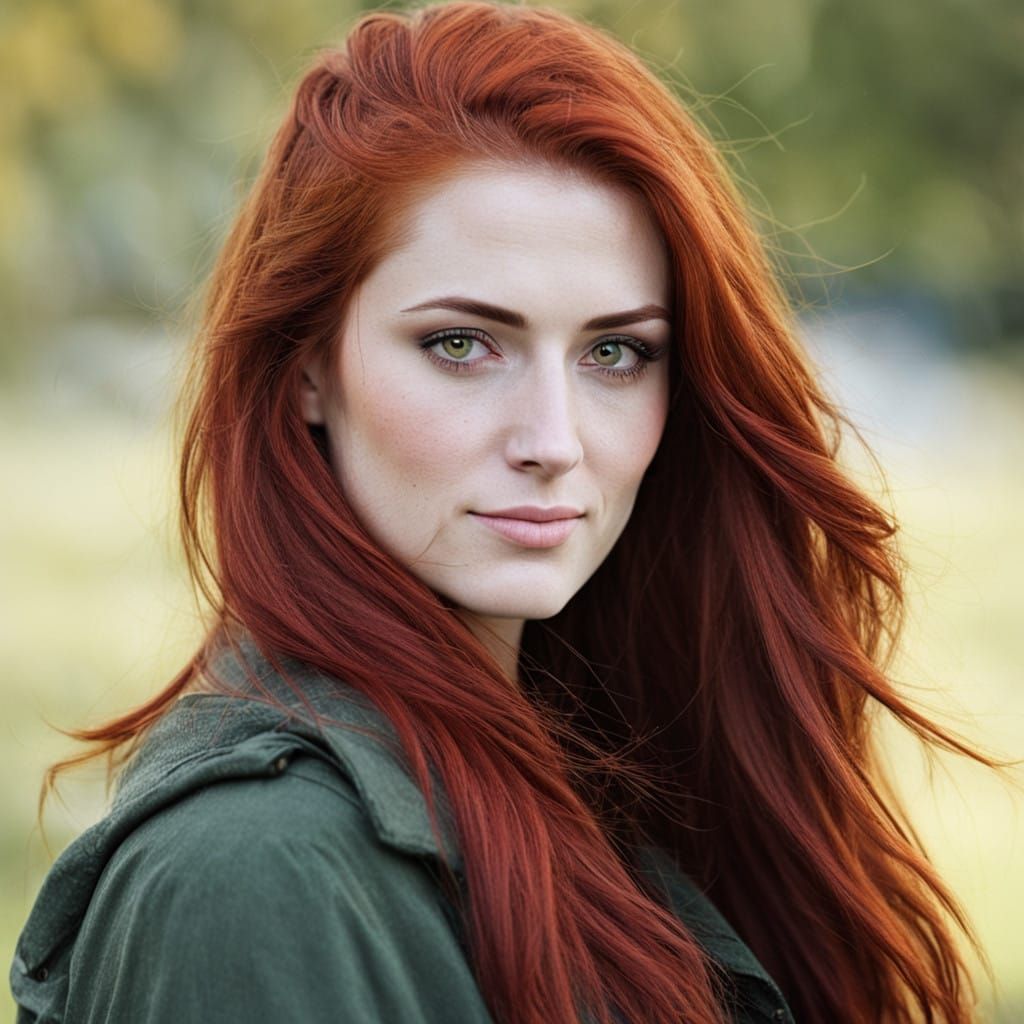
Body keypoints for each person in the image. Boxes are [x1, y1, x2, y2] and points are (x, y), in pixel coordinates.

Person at [10, 2, 989, 1022]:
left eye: (614, 352)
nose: (554, 439)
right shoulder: (255, 871)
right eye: (462, 344)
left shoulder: (601, 766)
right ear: (306, 368)